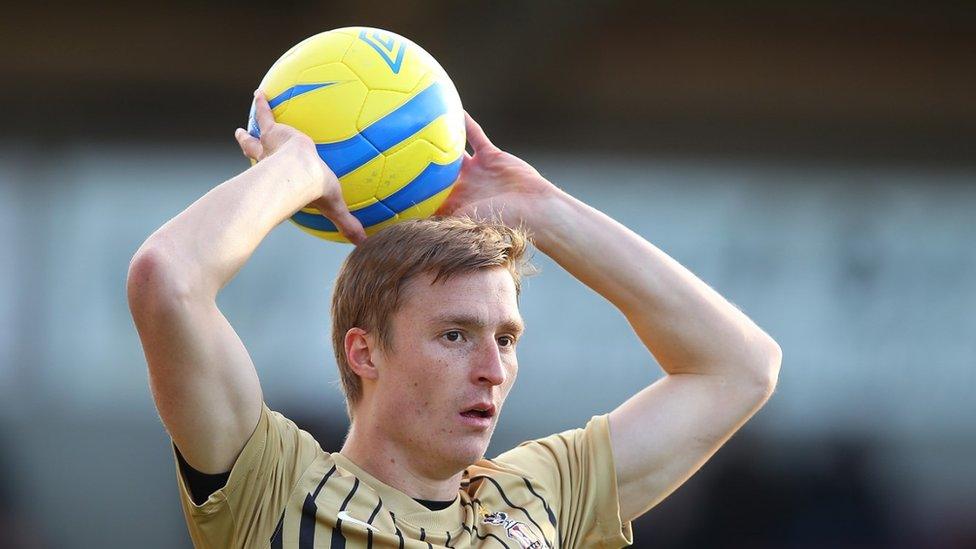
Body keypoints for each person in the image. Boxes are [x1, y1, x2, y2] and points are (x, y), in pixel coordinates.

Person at [127, 90, 782, 548]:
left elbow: (741, 367)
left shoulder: (540, 495)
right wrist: (296, 170)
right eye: (455, 335)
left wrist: (544, 210)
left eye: (506, 338)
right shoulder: (271, 485)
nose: (493, 370)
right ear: (365, 352)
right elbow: (167, 280)